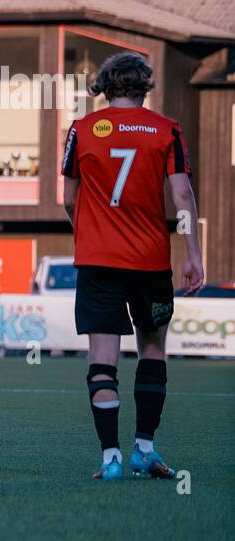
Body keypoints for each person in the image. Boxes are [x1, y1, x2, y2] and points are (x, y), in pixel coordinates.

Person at [60, 51, 204, 481]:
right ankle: (145, 448)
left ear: (104, 85)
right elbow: (181, 198)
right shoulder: (166, 130)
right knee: (153, 349)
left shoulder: (82, 130)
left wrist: (87, 227)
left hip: (98, 260)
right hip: (150, 261)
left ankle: (110, 459)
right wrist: (193, 252)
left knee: (102, 360)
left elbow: (67, 198)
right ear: (145, 85)